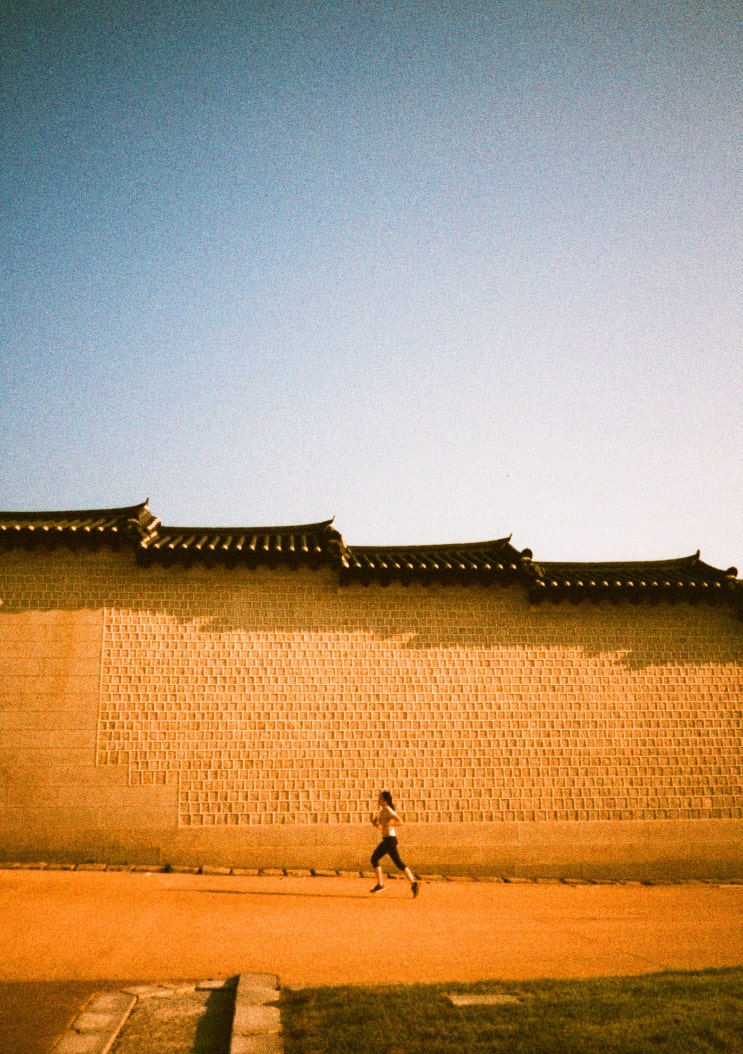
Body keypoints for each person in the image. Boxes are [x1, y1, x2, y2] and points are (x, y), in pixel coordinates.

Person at [369, 791, 420, 897]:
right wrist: (374, 823)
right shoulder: (383, 811)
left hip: (390, 840)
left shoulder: (388, 810)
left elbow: (401, 822)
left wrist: (392, 822)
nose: (379, 800)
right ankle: (413, 883)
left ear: (386, 801)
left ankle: (380, 885)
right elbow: (382, 827)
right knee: (398, 863)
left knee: (374, 858)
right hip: (388, 839)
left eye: (381, 799)